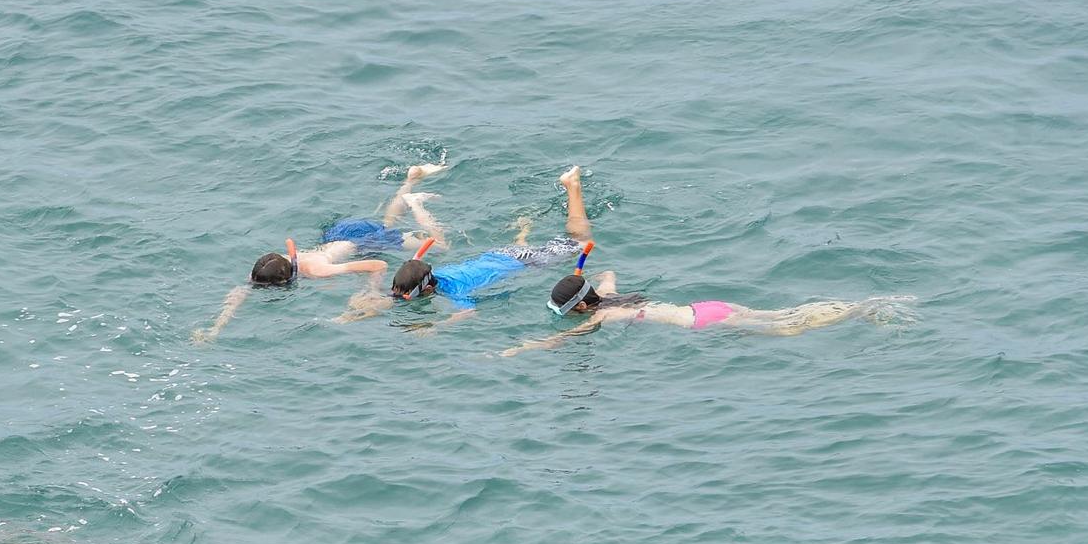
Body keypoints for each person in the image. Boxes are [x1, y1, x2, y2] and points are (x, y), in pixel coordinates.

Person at [194, 162, 450, 342]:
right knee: (389, 222)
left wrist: (370, 291)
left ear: (284, 281)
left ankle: (417, 204)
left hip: (362, 242)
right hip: (337, 234)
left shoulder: (317, 271)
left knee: (440, 244)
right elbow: (239, 293)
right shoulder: (273, 264)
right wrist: (216, 328)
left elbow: (378, 265)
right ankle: (410, 181)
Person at [338, 165, 593, 325]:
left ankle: (573, 187)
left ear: (426, 292)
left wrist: (437, 326)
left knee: (579, 242)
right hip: (501, 255)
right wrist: (353, 313)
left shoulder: (454, 291)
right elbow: (390, 297)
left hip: (521, 261)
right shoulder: (431, 280)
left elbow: (468, 313)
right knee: (536, 245)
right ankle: (524, 227)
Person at [498, 270, 913, 356]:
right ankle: (862, 307)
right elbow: (606, 274)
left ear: (583, 308)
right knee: (783, 315)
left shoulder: (603, 317)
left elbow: (560, 339)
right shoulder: (609, 297)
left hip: (706, 322)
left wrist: (520, 349)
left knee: (790, 328)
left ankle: (863, 310)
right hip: (707, 307)